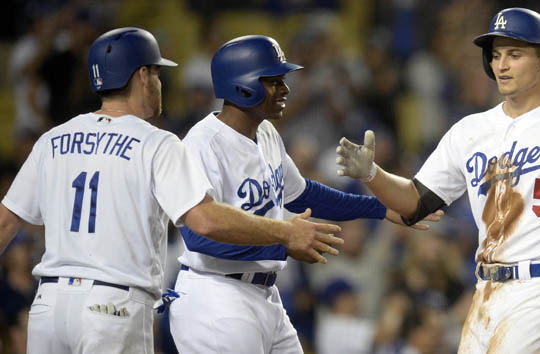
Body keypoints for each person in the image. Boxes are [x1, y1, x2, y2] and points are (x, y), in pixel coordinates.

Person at [0, 27, 345, 354]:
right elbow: (205, 220)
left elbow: (5, 223)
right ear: (141, 76)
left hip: (48, 306)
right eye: (157, 74)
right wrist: (285, 232)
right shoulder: (156, 142)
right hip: (112, 307)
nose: (160, 82)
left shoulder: (52, 140)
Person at [336, 7, 540, 354]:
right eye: (496, 55)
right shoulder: (469, 130)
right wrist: (373, 174)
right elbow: (415, 202)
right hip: (485, 292)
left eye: (515, 54)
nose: (501, 65)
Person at [167, 35, 441, 354]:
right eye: (274, 81)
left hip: (264, 295)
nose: (285, 90)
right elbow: (200, 237)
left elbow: (302, 194)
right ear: (242, 86)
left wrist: (380, 207)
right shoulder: (201, 145)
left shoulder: (266, 133)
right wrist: (284, 240)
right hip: (215, 296)